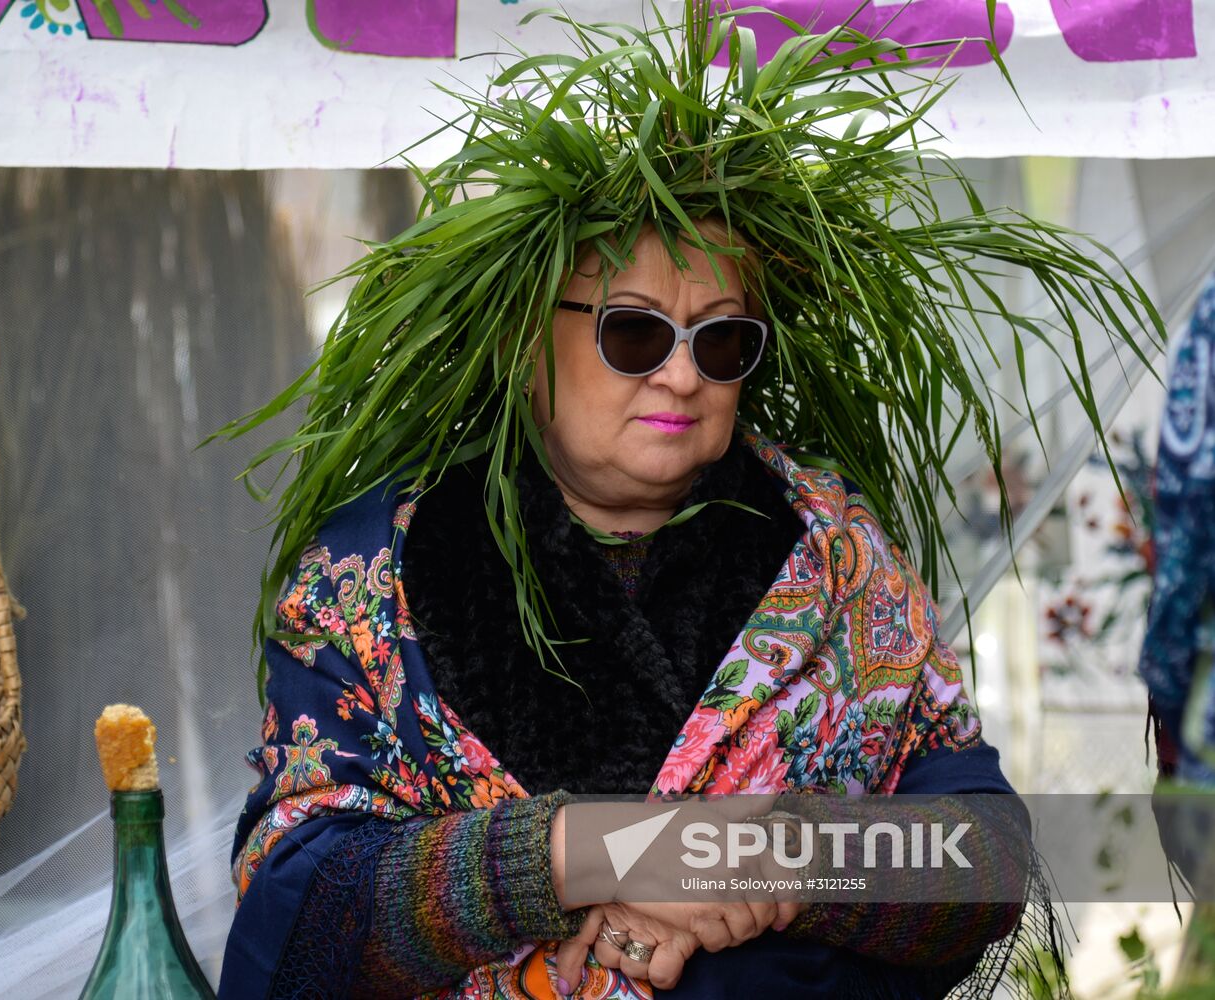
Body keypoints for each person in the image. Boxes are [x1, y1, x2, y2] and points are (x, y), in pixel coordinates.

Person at [214, 6, 1159, 998]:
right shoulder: (368, 579)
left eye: (719, 342)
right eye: (633, 333)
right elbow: (300, 909)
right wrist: (595, 852)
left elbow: (987, 859)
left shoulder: (837, 557)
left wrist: (777, 854)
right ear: (520, 340)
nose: (678, 376)